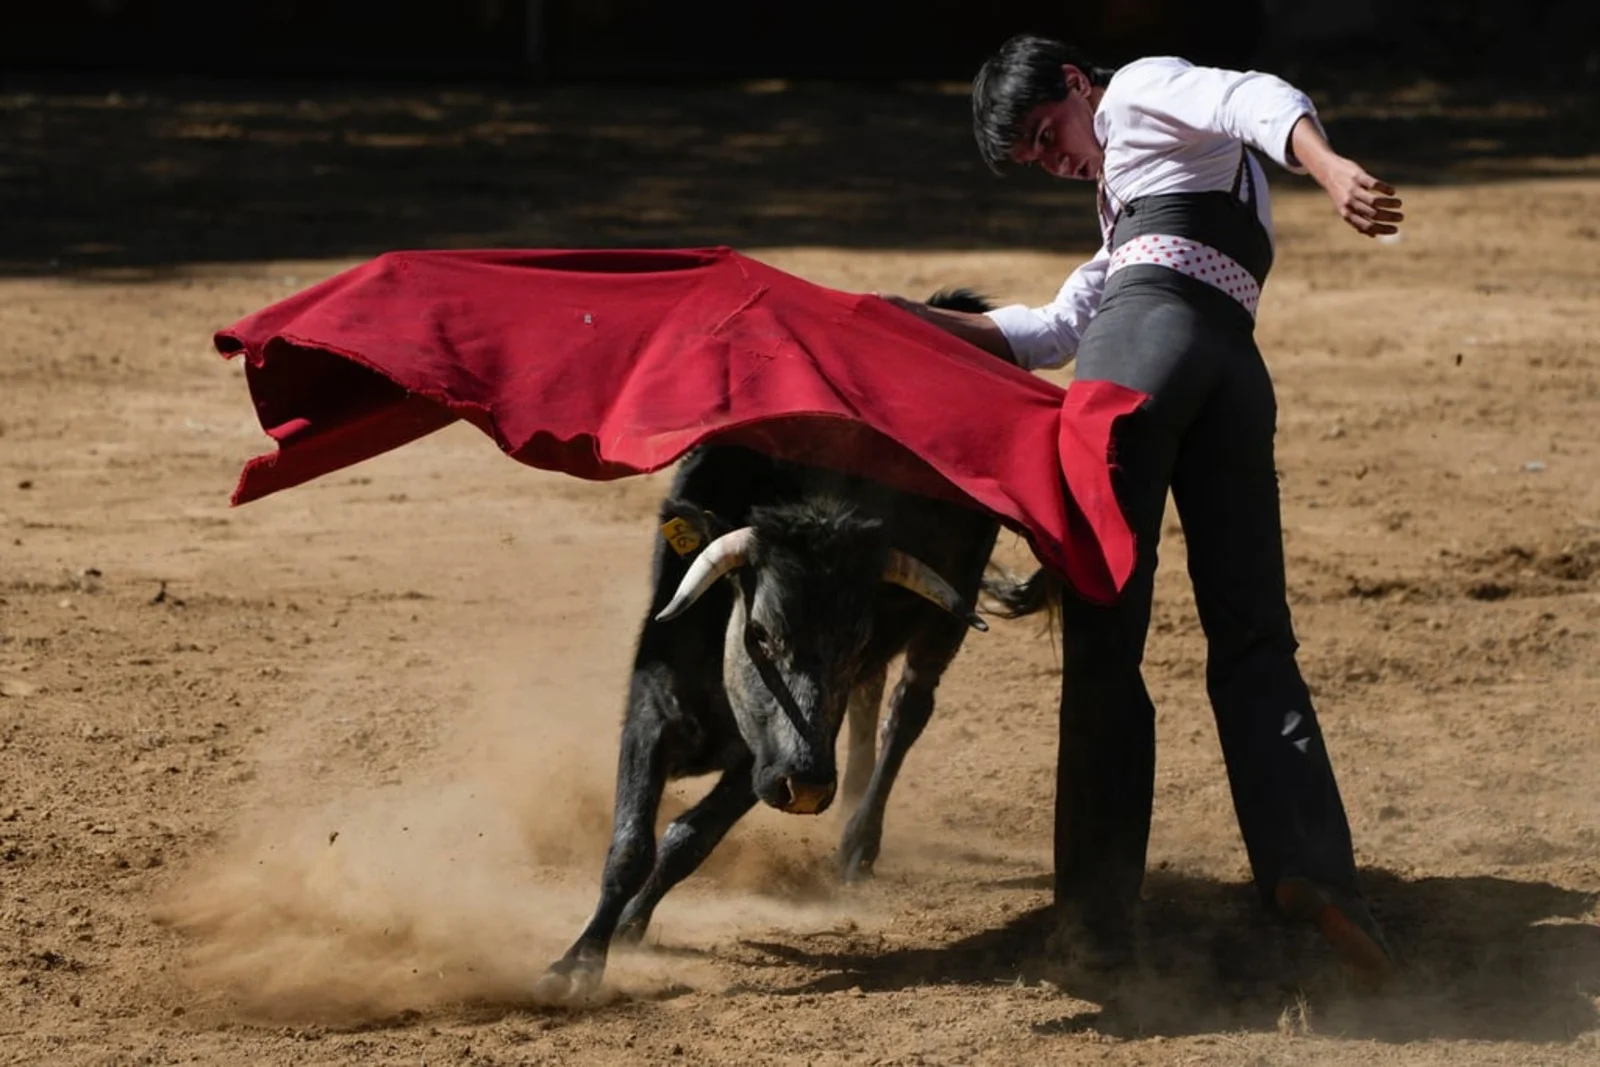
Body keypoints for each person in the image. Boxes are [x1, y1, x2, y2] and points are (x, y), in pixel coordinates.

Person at [876, 36, 1402, 986]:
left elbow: (1255, 93)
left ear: (1079, 83)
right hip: (1233, 378)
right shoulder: (1136, 202)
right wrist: (904, 316)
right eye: (1034, 157)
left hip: (1139, 359)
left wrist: (1330, 168)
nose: (1054, 158)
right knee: (1254, 636)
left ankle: (1094, 924)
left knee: (1105, 634)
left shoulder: (1141, 93)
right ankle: (1314, 874)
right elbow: (1047, 329)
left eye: (1047, 133)